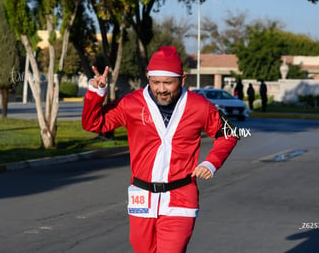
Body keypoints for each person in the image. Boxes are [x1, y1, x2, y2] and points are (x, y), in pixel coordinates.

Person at [82, 46, 238, 253]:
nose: (161, 89)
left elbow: (228, 133)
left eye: (167, 83)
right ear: (148, 78)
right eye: (155, 82)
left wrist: (211, 162)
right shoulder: (131, 103)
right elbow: (94, 124)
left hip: (181, 197)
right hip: (142, 196)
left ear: (181, 80)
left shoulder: (198, 106)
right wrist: (96, 92)